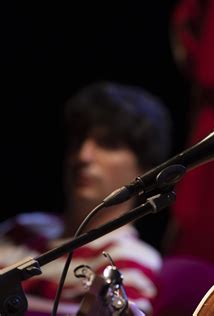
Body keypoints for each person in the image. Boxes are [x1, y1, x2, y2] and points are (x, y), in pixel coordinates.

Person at [0, 81, 172, 315]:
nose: (83, 156)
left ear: (146, 168)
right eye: (79, 140)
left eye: (108, 144)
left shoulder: (127, 257)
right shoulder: (21, 228)